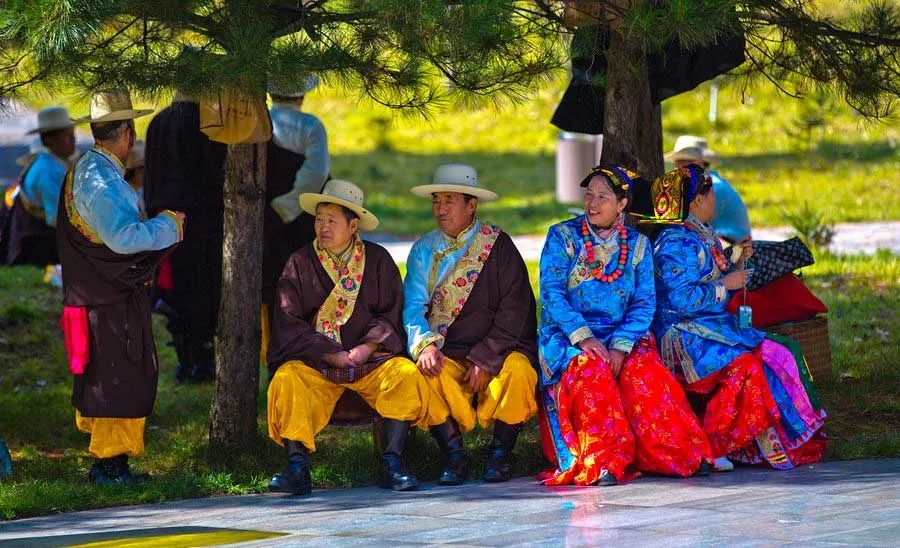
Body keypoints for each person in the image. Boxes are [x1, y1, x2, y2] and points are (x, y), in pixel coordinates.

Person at [642, 165, 826, 471]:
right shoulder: (675, 244)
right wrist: (724, 286)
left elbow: (708, 273)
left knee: (778, 351)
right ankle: (715, 445)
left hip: (707, 326)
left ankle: (767, 441)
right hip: (682, 334)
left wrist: (736, 258)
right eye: (710, 191)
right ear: (696, 202)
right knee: (745, 365)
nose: (715, 198)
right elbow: (680, 299)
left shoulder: (700, 234)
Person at [538, 164, 712, 486]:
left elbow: (645, 302)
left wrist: (620, 346)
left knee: (644, 373)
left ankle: (675, 454)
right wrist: (585, 337)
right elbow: (552, 294)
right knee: (592, 371)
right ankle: (603, 459)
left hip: (624, 335)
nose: (592, 203)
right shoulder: (563, 237)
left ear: (621, 205)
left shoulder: (638, 246)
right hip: (571, 335)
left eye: (603, 196)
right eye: (589, 194)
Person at [266, 179, 434, 496]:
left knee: (405, 375)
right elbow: (288, 321)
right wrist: (330, 353)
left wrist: (366, 347)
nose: (323, 227)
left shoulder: (379, 259)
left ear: (353, 225)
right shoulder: (299, 263)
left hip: (369, 363)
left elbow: (391, 313)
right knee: (287, 379)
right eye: (319, 219)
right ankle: (297, 468)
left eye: (332, 220)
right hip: (318, 365)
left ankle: (392, 463)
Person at [58, 90, 185, 484]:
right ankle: (110, 466)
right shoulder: (104, 182)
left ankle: (110, 461)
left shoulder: (91, 168)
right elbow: (123, 239)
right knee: (118, 377)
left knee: (110, 375)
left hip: (98, 292)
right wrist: (169, 225)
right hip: (107, 298)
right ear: (127, 134)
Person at [404, 164, 539, 485]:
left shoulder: (498, 246)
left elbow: (515, 308)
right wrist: (423, 343)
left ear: (471, 205)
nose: (440, 209)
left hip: (498, 352)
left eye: (450, 200)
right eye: (436, 201)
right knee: (421, 374)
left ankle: (501, 454)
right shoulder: (424, 249)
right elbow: (411, 305)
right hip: (447, 350)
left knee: (519, 372)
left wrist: (485, 358)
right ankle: (454, 454)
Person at [144, 90, 226, 383]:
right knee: (203, 292)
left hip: (164, 222)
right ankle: (202, 363)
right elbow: (216, 174)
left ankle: (184, 361)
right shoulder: (207, 122)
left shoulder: (158, 122)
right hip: (202, 222)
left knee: (174, 292)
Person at [261, 77, 329, 351]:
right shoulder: (311, 126)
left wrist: (274, 209)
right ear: (302, 96)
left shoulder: (260, 120)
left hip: (265, 215)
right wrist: (289, 207)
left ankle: (273, 348)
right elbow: (316, 173)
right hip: (303, 216)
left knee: (270, 285)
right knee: (305, 285)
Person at [2, 106, 78, 267]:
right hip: (35, 243)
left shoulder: (53, 163)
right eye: (67, 136)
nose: (73, 140)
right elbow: (57, 220)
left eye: (73, 135)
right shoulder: (49, 171)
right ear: (49, 141)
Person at [665, 135, 751, 243]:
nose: (679, 168)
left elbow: (688, 220)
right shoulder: (707, 182)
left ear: (700, 163)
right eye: (678, 163)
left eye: (685, 162)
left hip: (731, 244)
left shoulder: (709, 188)